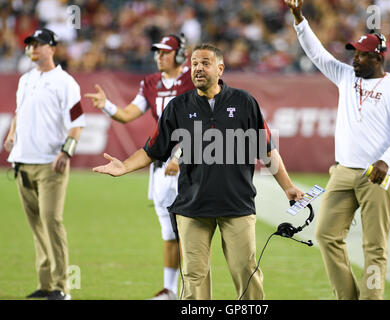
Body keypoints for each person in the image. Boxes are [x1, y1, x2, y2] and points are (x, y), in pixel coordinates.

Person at [92, 43, 304, 300]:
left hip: (236, 204)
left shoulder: (245, 102)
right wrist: (124, 166)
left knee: (246, 273)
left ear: (220, 68)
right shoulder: (177, 106)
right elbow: (152, 149)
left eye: (205, 63)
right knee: (193, 277)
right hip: (192, 206)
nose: (198, 68)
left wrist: (288, 186)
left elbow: (267, 150)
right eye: (194, 64)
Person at [285, 0, 390, 300]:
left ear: (378, 58)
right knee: (325, 234)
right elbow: (316, 53)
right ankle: (348, 296)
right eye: (354, 53)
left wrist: (387, 159)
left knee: (374, 246)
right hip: (343, 171)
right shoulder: (346, 76)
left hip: (377, 175)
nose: (355, 59)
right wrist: (299, 18)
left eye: (362, 55)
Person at [85, 34, 194, 300]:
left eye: (165, 52)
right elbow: (128, 114)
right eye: (157, 52)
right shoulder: (151, 83)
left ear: (180, 55)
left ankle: (193, 292)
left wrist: (181, 155)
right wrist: (107, 105)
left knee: (192, 232)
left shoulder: (192, 78)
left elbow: (201, 121)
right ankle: (169, 290)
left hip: (191, 164)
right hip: (160, 163)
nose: (159, 56)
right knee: (169, 233)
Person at [3, 28, 85, 300]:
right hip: (23, 162)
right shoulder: (25, 80)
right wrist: (12, 133)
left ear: (53, 48)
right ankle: (45, 284)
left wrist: (66, 153)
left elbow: (78, 122)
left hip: (51, 164)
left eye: (38, 44)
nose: (32, 48)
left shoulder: (66, 82)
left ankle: (62, 287)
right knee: (36, 226)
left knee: (52, 221)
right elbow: (18, 112)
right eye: (29, 44)